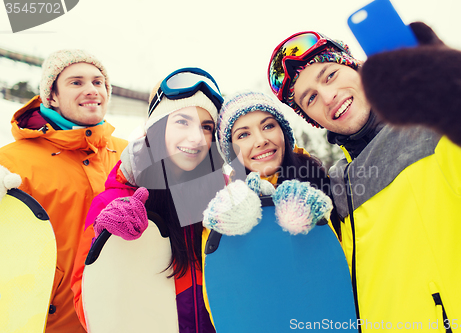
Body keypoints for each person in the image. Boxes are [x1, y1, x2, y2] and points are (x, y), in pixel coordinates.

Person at [267, 24, 461, 328]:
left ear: (358, 67)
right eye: (310, 99)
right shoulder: (335, 184)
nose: (327, 96)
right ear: (310, 119)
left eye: (330, 75)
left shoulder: (434, 133)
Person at [71, 67, 225, 332]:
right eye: (182, 121)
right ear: (156, 129)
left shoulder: (223, 196)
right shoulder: (114, 201)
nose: (197, 138)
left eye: (206, 127)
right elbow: (88, 304)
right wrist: (107, 242)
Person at [0, 49, 127, 333]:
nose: (91, 90)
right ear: (52, 96)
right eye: (76, 82)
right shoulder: (10, 162)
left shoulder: (129, 154)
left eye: (98, 82)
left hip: (121, 315)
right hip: (52, 322)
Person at [203, 91, 335, 238]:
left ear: (283, 132)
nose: (261, 141)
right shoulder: (225, 205)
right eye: (243, 135)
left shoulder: (325, 180)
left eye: (268, 126)